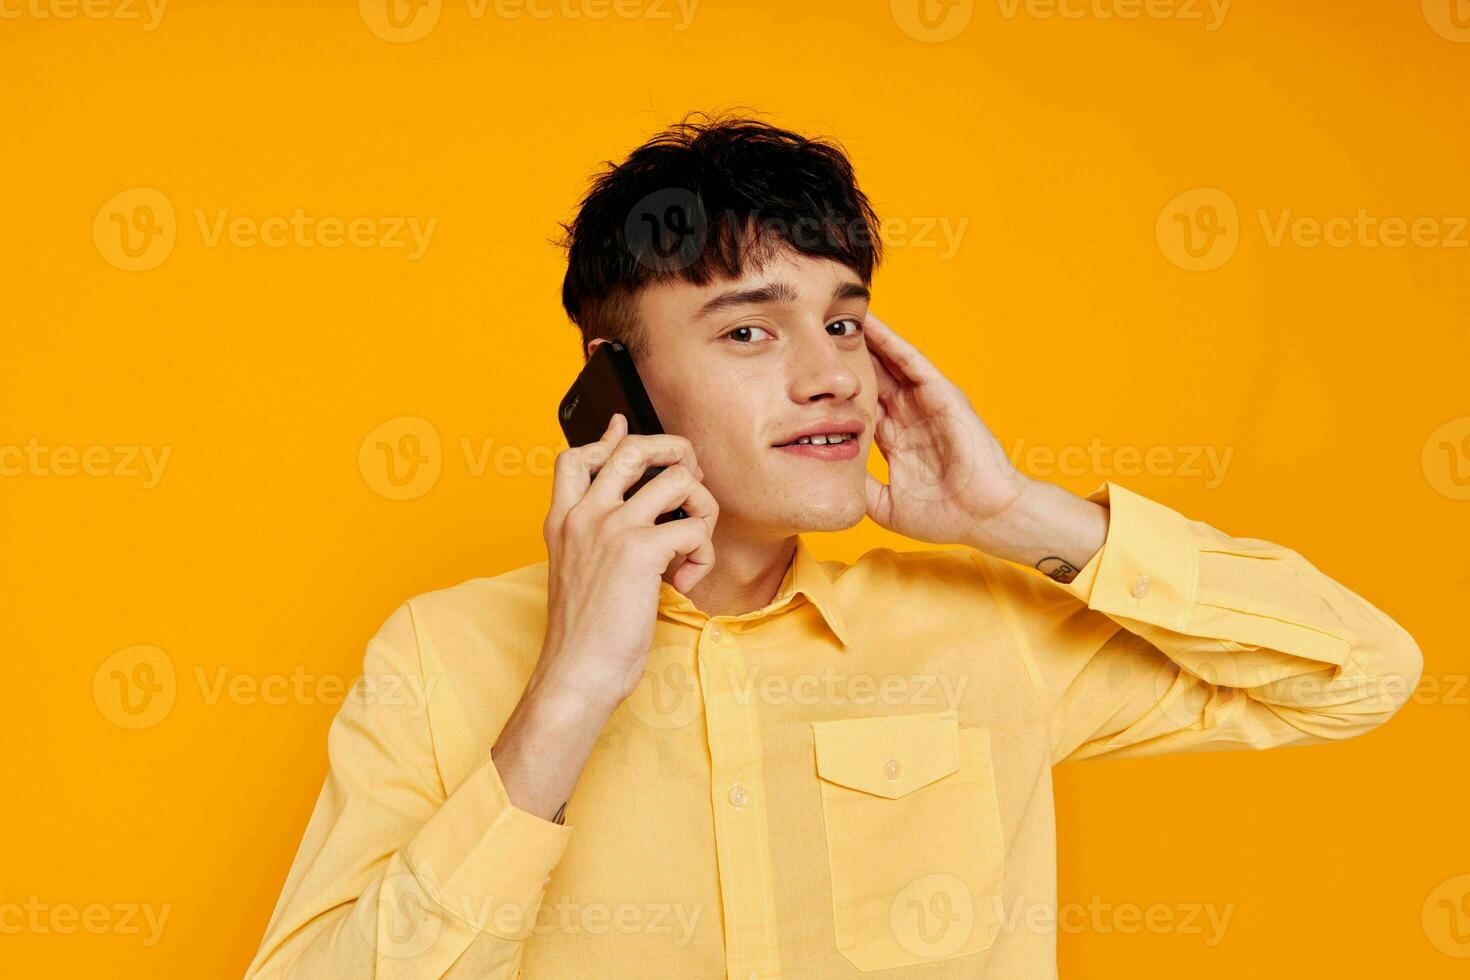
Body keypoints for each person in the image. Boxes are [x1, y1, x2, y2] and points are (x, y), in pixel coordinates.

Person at [245, 113, 1422, 978]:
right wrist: (567, 694)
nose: (828, 374)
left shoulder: (983, 627)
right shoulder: (444, 655)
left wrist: (1017, 513)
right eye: (750, 326)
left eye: (845, 320)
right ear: (617, 389)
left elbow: (1359, 672)